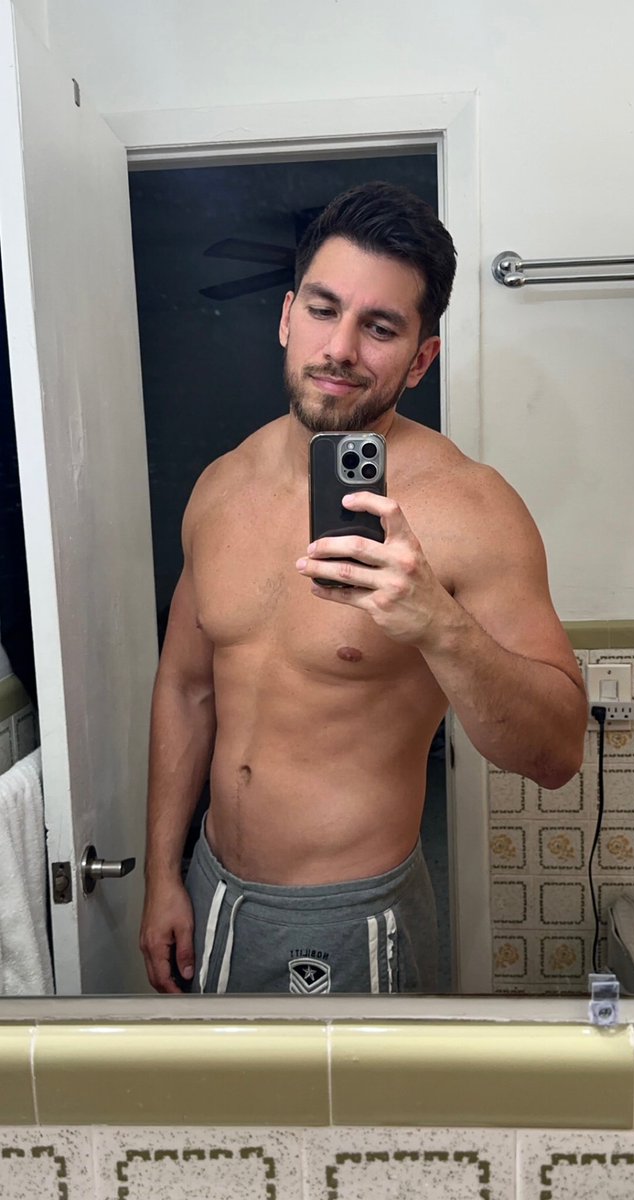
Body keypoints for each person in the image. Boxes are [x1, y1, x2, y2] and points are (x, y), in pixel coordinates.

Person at [139, 181, 587, 996]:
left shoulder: (471, 509)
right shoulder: (219, 486)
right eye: (322, 309)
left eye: (379, 327)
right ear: (286, 317)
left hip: (350, 913)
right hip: (211, 882)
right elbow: (185, 688)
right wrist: (163, 873)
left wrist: (438, 625)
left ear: (420, 359)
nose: (340, 347)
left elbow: (555, 754)